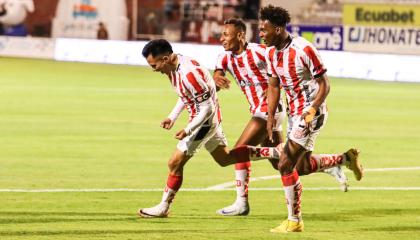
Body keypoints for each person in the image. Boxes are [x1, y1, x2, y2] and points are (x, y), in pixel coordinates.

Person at [213, 18, 350, 216]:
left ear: (240, 35)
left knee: (239, 152)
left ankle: (241, 203)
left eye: (226, 34)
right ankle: (334, 163)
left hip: (270, 110)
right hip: (259, 111)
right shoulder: (223, 58)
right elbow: (218, 77)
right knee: (287, 165)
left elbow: (277, 78)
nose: (221, 39)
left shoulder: (261, 52)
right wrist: (216, 78)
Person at [138, 39, 290, 218]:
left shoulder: (189, 73)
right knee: (225, 158)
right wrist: (172, 117)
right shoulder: (175, 67)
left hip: (203, 123)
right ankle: (274, 153)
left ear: (164, 59)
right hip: (204, 120)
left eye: (154, 65)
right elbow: (185, 95)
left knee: (175, 162)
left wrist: (188, 129)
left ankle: (164, 207)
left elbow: (207, 108)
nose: (154, 69)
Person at [258, 5, 363, 232]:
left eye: (264, 30)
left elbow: (325, 84)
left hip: (310, 115)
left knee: (285, 163)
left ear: (277, 29)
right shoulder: (270, 53)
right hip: (294, 115)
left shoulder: (304, 49)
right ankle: (343, 159)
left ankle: (294, 221)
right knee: (302, 167)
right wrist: (270, 117)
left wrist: (313, 108)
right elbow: (274, 86)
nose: (261, 34)